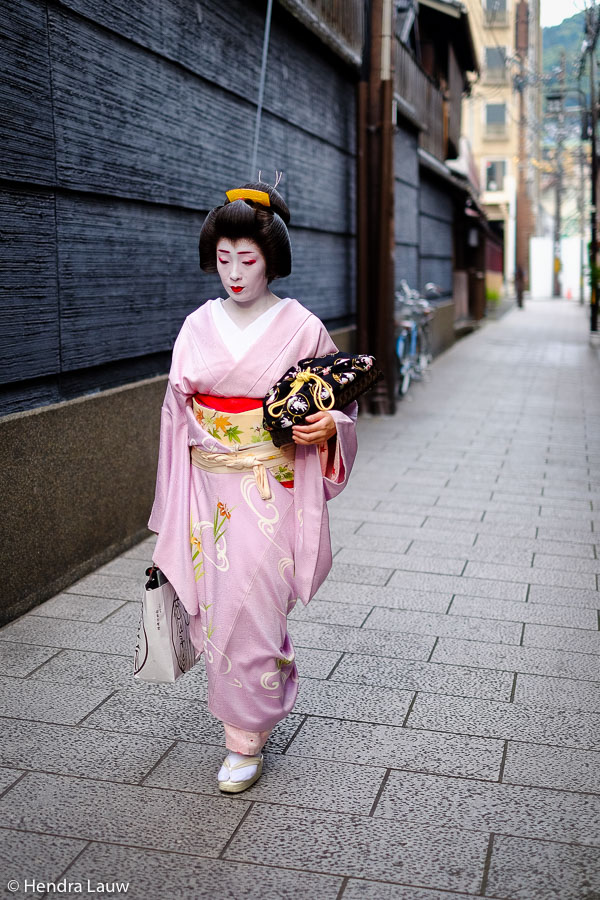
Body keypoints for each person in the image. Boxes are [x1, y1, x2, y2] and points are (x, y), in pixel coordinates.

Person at [147, 180, 358, 793]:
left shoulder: (303, 327)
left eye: (248, 259)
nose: (234, 273)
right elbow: (174, 409)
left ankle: (251, 726)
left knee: (257, 608)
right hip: (210, 490)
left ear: (272, 259)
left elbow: (335, 407)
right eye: (223, 259)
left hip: (273, 489)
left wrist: (326, 427)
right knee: (217, 612)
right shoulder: (197, 325)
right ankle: (243, 731)